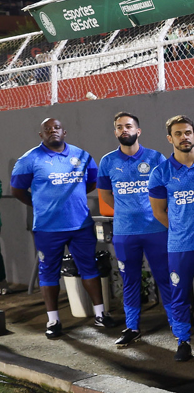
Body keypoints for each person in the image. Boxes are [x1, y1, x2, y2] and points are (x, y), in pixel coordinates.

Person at [11, 118, 118, 338]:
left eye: (56, 128)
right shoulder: (29, 160)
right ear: (41, 135)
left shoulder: (82, 155)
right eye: (47, 129)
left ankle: (100, 314)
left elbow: (93, 182)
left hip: (81, 225)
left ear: (64, 132)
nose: (53, 131)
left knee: (89, 268)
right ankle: (53, 320)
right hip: (47, 228)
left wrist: (71, 200)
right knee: (48, 272)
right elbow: (17, 191)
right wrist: (39, 204)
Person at [149, 115, 194, 362]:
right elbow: (158, 211)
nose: (184, 137)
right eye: (178, 133)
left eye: (188, 132)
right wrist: (180, 229)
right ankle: (183, 340)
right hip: (180, 245)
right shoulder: (161, 172)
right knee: (179, 294)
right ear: (170, 139)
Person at [99, 112, 173, 347]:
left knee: (165, 277)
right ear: (115, 132)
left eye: (129, 126)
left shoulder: (155, 158)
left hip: (155, 230)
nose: (124, 130)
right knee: (129, 280)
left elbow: (168, 189)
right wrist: (126, 211)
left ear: (138, 131)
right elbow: (106, 195)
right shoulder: (107, 161)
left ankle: (177, 324)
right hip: (124, 232)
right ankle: (132, 327)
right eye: (120, 127)